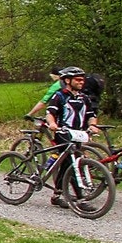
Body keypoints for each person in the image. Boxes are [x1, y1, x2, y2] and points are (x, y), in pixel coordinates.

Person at [44, 66, 99, 207]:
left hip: (78, 134)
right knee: (74, 163)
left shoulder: (84, 98)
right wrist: (52, 123)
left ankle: (57, 195)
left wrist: (92, 125)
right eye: (78, 80)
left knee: (67, 164)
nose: (81, 82)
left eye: (83, 80)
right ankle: (81, 199)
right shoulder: (59, 96)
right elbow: (50, 112)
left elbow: (91, 115)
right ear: (68, 80)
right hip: (63, 133)